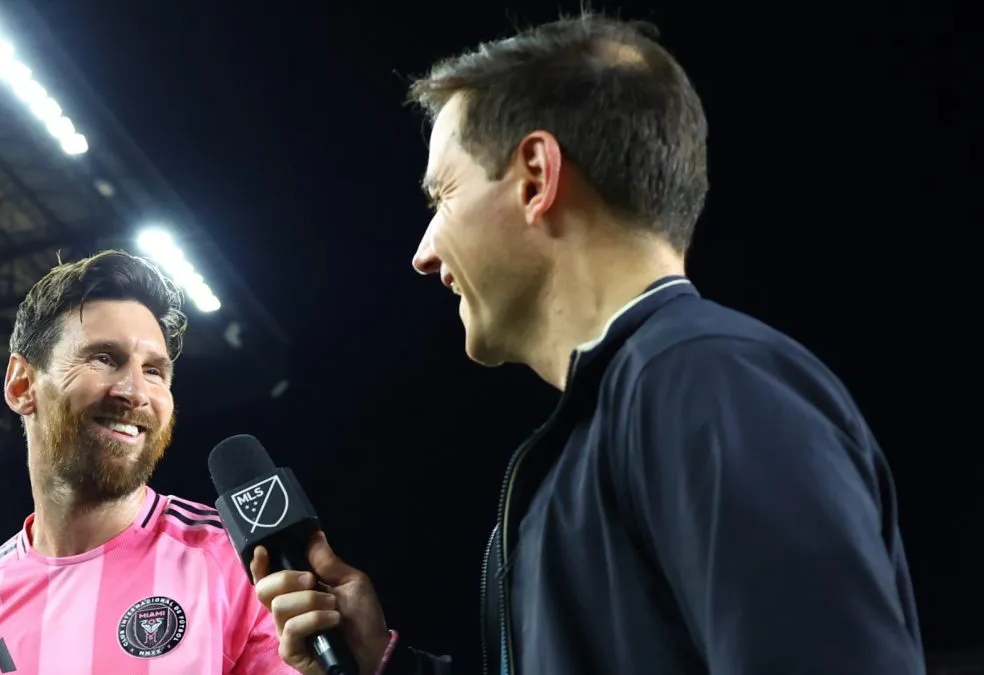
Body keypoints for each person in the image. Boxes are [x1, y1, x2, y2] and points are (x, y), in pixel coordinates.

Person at [251, 11, 926, 675]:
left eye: (442, 197)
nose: (424, 254)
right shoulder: (636, 412)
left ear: (536, 177)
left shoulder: (707, 380)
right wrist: (384, 666)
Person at [0, 250, 292, 674]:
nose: (135, 392)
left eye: (154, 371)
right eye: (104, 358)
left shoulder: (239, 564)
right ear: (22, 385)